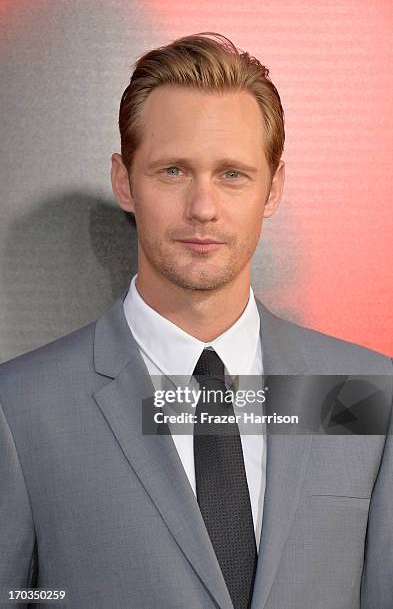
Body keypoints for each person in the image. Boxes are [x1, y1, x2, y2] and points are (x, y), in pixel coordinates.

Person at [0, 32, 392, 609]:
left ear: (272, 188)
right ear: (123, 180)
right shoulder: (21, 407)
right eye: (173, 171)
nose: (203, 208)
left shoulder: (365, 393)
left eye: (232, 173)